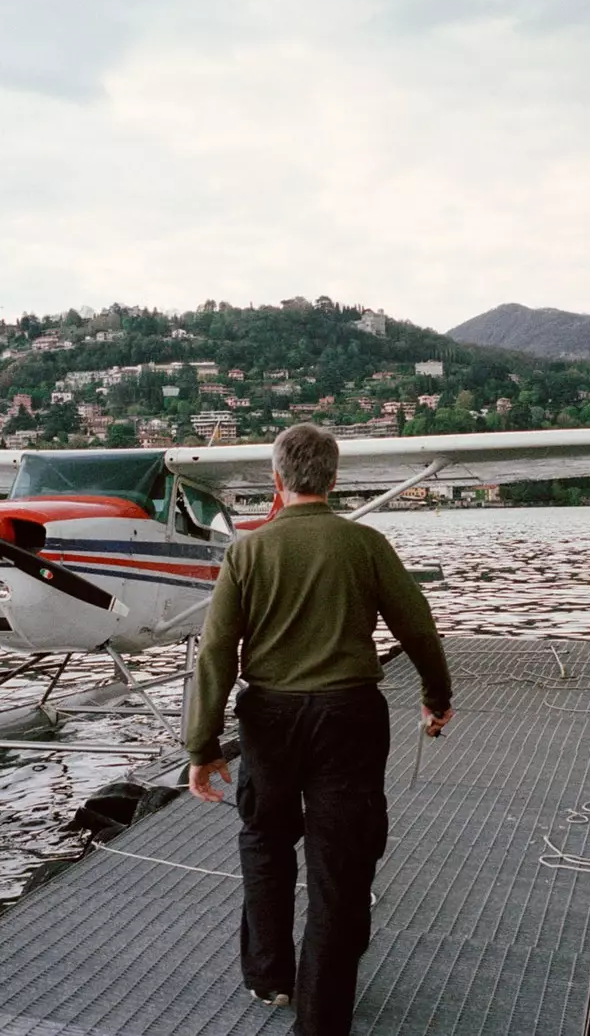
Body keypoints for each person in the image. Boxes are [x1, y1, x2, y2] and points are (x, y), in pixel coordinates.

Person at [186, 423, 454, 1036]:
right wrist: (437, 697)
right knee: (342, 861)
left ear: (277, 481)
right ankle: (322, 1016)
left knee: (266, 841)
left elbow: (217, 653)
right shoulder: (365, 544)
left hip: (270, 717)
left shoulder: (246, 552)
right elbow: (419, 629)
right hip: (348, 716)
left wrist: (201, 745)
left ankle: (269, 974)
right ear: (333, 480)